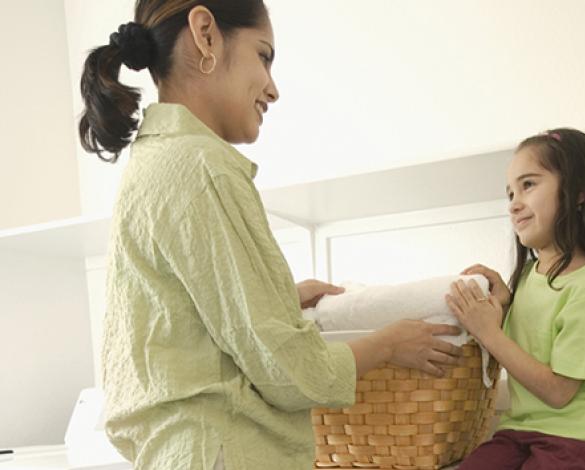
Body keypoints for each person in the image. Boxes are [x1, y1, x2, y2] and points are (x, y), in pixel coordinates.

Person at [78, 2, 462, 469]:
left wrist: (276, 298)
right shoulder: (205, 169)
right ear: (205, 34)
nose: (273, 89)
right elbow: (288, 373)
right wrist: (389, 344)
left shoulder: (152, 164)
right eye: (264, 56)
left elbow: (170, 322)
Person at [445, 128, 585, 469]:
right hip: (521, 433)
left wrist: (489, 332)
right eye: (510, 192)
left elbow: (559, 392)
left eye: (528, 185)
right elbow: (533, 336)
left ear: (579, 192)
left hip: (583, 440)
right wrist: (508, 303)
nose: (514, 203)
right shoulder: (529, 276)